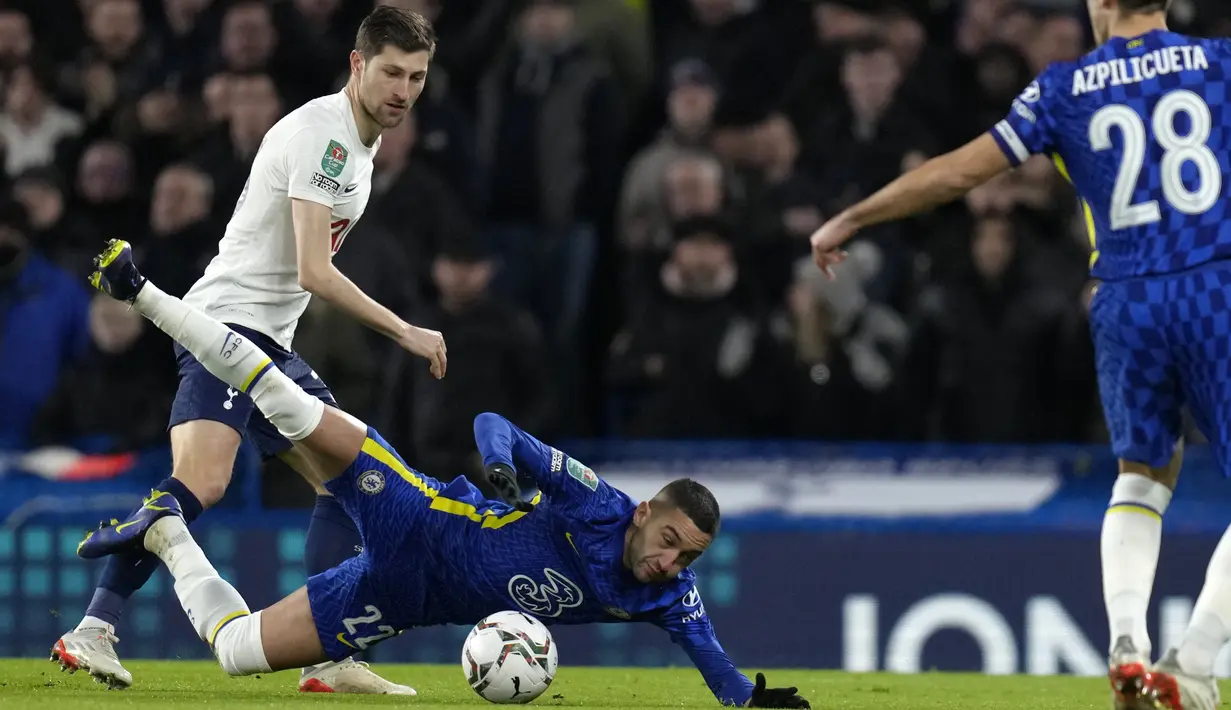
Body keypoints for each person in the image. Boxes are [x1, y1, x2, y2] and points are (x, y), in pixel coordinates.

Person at [71, 240, 810, 709]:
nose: (670, 561)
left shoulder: (666, 597)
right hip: (415, 514)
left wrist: (751, 703)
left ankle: (169, 538)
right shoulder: (597, 503)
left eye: (687, 558)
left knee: (235, 655)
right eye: (671, 540)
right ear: (647, 510)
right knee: (289, 404)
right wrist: (498, 468)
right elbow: (497, 427)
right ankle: (143, 293)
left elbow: (721, 674)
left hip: (401, 598)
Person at [808, 2, 1231, 709]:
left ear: (1099, 3)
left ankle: (1125, 642)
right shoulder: (1220, 64)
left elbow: (954, 174)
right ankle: (1191, 663)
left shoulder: (1063, 87)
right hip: (1216, 285)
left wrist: (853, 215)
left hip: (1124, 299)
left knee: (1142, 478)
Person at [50, 7, 446, 695]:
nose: (403, 90)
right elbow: (312, 273)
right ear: (358, 64)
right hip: (229, 332)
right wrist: (406, 330)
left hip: (268, 341)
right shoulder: (324, 138)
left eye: (415, 77)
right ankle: (94, 628)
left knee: (340, 482)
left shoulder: (358, 140)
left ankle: (327, 657)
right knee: (202, 484)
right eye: (390, 72)